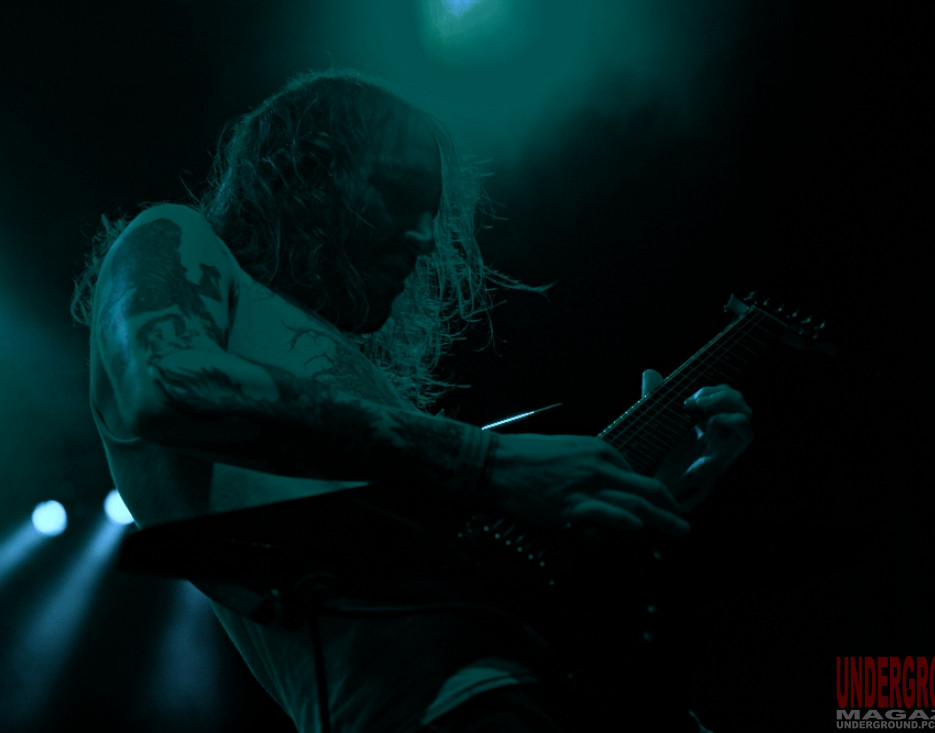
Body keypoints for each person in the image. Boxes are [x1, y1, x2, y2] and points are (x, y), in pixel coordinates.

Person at [72, 68, 753, 732]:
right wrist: (487, 462)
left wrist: (647, 497)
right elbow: (165, 382)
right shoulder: (175, 236)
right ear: (307, 171)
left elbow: (494, 582)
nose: (426, 239)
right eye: (399, 194)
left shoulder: (345, 397)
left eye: (434, 213)